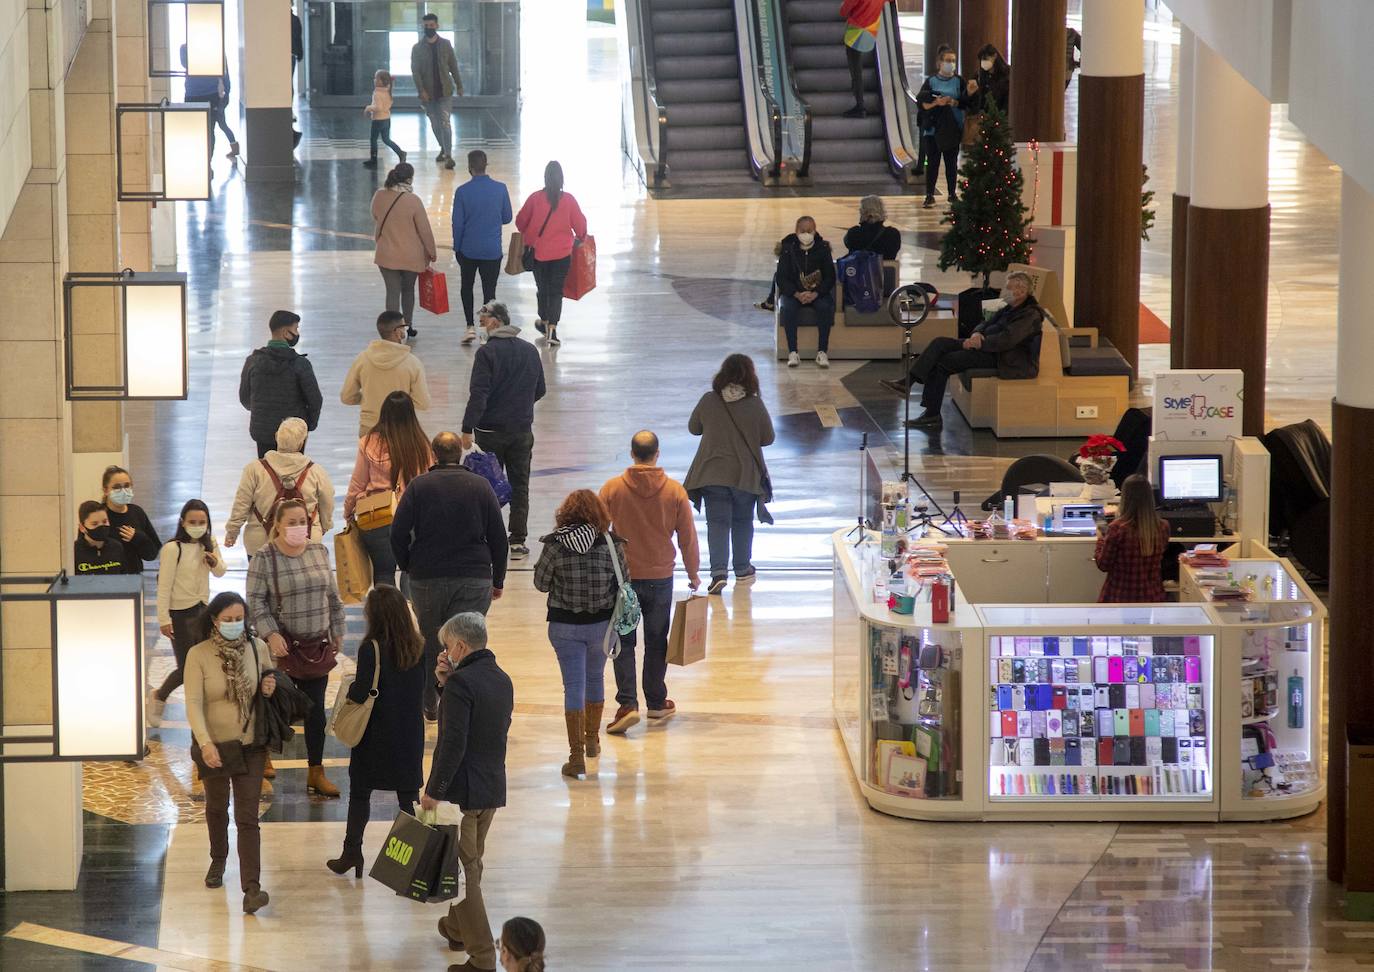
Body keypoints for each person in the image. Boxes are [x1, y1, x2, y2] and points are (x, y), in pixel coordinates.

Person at [392, 432, 509, 720]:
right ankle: (463, 705)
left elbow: (397, 532)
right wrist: (498, 580)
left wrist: (407, 565)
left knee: (431, 642)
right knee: (466, 644)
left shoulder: (419, 487)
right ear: (460, 454)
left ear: (433, 455)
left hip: (427, 577)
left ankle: (430, 703)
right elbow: (499, 538)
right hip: (474, 577)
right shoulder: (481, 486)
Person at [424, 612, 513, 972]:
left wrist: (434, 791)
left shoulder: (463, 685)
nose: (446, 653)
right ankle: (456, 927)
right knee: (469, 866)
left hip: (461, 792)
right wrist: (446, 684)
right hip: (490, 788)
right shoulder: (501, 678)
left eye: (448, 647)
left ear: (460, 646)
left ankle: (482, 958)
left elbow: (453, 743)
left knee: (463, 874)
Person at [599, 430, 701, 734]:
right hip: (660, 577)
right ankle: (656, 702)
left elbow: (599, 531)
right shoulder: (674, 491)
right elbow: (687, 537)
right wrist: (694, 573)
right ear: (657, 454)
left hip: (623, 581)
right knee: (657, 641)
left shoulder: (612, 489)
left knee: (624, 642)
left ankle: (627, 704)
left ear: (632, 454)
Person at [246, 498, 346, 799]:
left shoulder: (318, 551)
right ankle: (263, 755)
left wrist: (337, 629)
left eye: (302, 521)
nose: (298, 527)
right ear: (277, 525)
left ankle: (316, 771)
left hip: (316, 646)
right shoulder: (265, 557)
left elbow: (332, 594)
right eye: (291, 522)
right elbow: (255, 602)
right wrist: (270, 634)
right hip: (283, 649)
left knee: (316, 713)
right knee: (276, 706)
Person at [183, 591, 275, 914]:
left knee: (247, 816)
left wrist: (269, 685)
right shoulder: (199, 655)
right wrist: (204, 743)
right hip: (216, 747)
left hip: (251, 745)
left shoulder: (257, 647)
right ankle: (218, 858)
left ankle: (252, 888)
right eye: (228, 620)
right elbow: (193, 703)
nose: (235, 625)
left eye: (240, 619)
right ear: (214, 620)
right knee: (217, 806)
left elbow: (268, 677)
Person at [326, 585, 425, 878]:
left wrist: (350, 685)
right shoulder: (420, 645)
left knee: (360, 794)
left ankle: (352, 853)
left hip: (376, 734)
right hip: (409, 734)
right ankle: (416, 862)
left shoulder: (372, 648)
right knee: (409, 798)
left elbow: (360, 694)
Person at [533, 490, 630, 779]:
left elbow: (540, 584)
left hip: (563, 627)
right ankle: (592, 741)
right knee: (595, 678)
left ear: (566, 513)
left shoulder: (554, 545)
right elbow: (624, 582)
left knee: (573, 685)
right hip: (601, 627)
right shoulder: (611, 544)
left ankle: (575, 756)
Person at [879, 270, 1044, 429]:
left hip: (1006, 359)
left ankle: (932, 414)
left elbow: (1007, 340)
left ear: (1021, 291)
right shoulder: (1010, 307)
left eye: (1008, 288)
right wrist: (977, 333)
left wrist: (978, 344)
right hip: (988, 347)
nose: (1004, 291)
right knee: (939, 343)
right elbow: (986, 322)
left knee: (944, 362)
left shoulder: (1030, 314)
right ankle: (907, 383)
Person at [460, 302, 545, 560]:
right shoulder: (530, 350)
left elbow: (479, 394)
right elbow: (540, 389)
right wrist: (519, 407)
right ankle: (518, 540)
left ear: (496, 321)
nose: (482, 324)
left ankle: (489, 536)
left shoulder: (487, 354)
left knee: (487, 486)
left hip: (489, 432)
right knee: (520, 485)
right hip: (521, 430)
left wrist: (466, 428)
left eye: (484, 319)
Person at [684, 354, 775, 594]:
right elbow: (768, 438)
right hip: (745, 476)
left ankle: (718, 574)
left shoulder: (709, 400)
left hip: (712, 473)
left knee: (717, 523)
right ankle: (743, 569)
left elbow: (694, 428)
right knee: (743, 521)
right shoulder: (755, 404)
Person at [148, 500, 225, 737]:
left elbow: (221, 571)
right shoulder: (173, 549)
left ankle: (203, 718)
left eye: (202, 522)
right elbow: (164, 586)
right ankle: (159, 697)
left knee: (203, 666)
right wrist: (163, 619)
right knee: (186, 669)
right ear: (183, 522)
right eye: (193, 522)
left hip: (203, 611)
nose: (198, 526)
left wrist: (214, 562)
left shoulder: (209, 544)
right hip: (180, 614)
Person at [344, 391, 434, 588]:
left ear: (383, 413)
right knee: (411, 572)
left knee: (383, 573)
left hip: (377, 515)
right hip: (413, 516)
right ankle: (412, 615)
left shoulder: (368, 443)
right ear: (411, 414)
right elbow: (429, 483)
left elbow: (357, 484)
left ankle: (385, 616)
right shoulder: (422, 444)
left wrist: (348, 511)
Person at [225, 417, 335, 556]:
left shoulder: (254, 469)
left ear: (277, 438)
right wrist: (322, 527)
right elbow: (328, 503)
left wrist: (232, 532)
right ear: (302, 443)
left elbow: (241, 503)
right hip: (306, 541)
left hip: (260, 543)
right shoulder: (316, 472)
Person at [514, 161, 587, 346]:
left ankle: (544, 319)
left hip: (539, 254)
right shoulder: (569, 200)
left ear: (545, 178)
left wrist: (529, 230)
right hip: (562, 254)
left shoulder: (535, 198)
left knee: (543, 289)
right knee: (556, 291)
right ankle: (552, 329)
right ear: (562, 179)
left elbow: (520, 222)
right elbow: (580, 226)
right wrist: (580, 237)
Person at [239, 310, 322, 459]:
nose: (297, 333)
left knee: (267, 474)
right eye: (295, 329)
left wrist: (261, 411)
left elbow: (245, 398)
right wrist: (307, 425)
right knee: (293, 475)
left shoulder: (253, 362)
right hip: (294, 433)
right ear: (285, 332)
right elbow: (315, 399)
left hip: (263, 432)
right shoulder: (300, 364)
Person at [340, 309, 432, 438]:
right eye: (404, 327)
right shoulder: (412, 363)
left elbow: (346, 397)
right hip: (401, 429)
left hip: (369, 428)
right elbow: (423, 402)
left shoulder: (362, 359)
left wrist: (368, 398)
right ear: (398, 332)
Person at [453, 150, 513, 344]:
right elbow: (507, 217)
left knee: (466, 287)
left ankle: (470, 327)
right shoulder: (501, 188)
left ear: (469, 167)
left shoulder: (462, 192)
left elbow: (458, 224)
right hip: (491, 250)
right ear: (486, 165)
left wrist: (457, 248)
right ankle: (485, 332)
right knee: (490, 292)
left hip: (468, 249)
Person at [372, 162, 438, 338]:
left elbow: (375, 215)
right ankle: (407, 327)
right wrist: (432, 251)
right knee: (408, 291)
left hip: (386, 254)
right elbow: (424, 230)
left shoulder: (379, 195)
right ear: (409, 179)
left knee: (392, 292)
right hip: (411, 256)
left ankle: (391, 330)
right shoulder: (413, 201)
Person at [1095, 474, 1171, 603]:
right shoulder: (1163, 526)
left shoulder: (1117, 528)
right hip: (1152, 597)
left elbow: (1104, 564)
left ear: (1125, 498)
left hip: (1119, 597)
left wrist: (1101, 539)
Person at [775, 215, 836, 369]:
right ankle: (793, 352)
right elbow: (781, 277)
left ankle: (822, 351)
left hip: (818, 292)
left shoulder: (823, 249)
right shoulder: (788, 250)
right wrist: (796, 294)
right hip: (794, 293)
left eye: (810, 231)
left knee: (825, 307)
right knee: (788, 309)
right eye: (803, 231)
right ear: (796, 231)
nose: (806, 234)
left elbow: (830, 277)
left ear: (815, 231)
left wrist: (816, 293)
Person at [917, 45, 972, 209]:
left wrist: (955, 101)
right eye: (948, 61)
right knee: (932, 162)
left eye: (953, 61)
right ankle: (929, 194)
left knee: (951, 162)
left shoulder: (959, 81)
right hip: (933, 129)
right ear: (939, 63)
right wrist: (937, 103)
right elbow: (922, 103)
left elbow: (966, 103)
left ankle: (951, 193)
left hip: (953, 128)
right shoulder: (931, 82)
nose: (951, 64)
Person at [410, 12, 464, 169]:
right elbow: (416, 71)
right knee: (434, 123)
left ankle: (448, 155)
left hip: (445, 91)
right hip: (428, 94)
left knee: (445, 122)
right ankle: (443, 148)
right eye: (426, 26)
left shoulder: (446, 45)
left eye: (431, 26)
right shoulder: (417, 48)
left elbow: (453, 66)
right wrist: (421, 91)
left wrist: (459, 85)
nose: (429, 28)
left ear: (437, 26)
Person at [101, 465, 162, 574]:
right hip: (105, 579)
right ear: (106, 490)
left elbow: (152, 553)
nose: (123, 491)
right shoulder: (98, 516)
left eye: (127, 486)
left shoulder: (137, 512)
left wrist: (138, 537)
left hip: (133, 578)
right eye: (116, 487)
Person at [181, 44, 238, 160]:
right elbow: (185, 63)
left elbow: (225, 72)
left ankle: (207, 162)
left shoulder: (213, 47)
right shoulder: (188, 47)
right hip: (200, 94)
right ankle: (204, 162)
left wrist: (226, 94)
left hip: (203, 94)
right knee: (203, 130)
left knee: (209, 130)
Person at [840, 0, 884, 118]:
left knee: (855, 68)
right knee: (857, 65)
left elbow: (843, 11)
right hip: (871, 29)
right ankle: (858, 98)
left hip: (856, 29)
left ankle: (860, 106)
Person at [362, 69, 406, 169]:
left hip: (378, 120)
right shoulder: (388, 91)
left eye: (376, 78)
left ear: (381, 81)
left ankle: (373, 159)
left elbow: (378, 108)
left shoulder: (377, 93)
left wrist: (368, 108)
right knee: (386, 139)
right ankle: (400, 153)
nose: (374, 80)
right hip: (386, 119)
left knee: (373, 139)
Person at [73, 500, 126, 575]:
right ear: (82, 527)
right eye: (94, 524)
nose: (101, 526)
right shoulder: (74, 551)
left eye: (105, 522)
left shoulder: (117, 547)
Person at [843, 195, 902, 261]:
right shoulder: (893, 234)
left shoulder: (853, 233)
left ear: (863, 212)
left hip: (860, 270)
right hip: (884, 270)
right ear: (882, 211)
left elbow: (847, 244)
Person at [970, 44, 1011, 116]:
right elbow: (977, 102)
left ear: (994, 56)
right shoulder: (979, 75)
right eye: (981, 60)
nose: (983, 62)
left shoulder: (1007, 74)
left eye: (985, 59)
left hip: (1002, 117)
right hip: (984, 119)